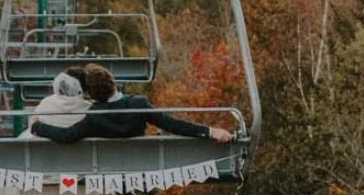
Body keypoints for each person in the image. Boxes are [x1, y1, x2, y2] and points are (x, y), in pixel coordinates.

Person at [28, 62, 236, 145]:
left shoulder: (93, 118)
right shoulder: (138, 104)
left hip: (107, 169)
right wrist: (211, 131)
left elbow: (66, 136)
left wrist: (37, 125)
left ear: (91, 93)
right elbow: (173, 125)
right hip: (141, 163)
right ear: (112, 81)